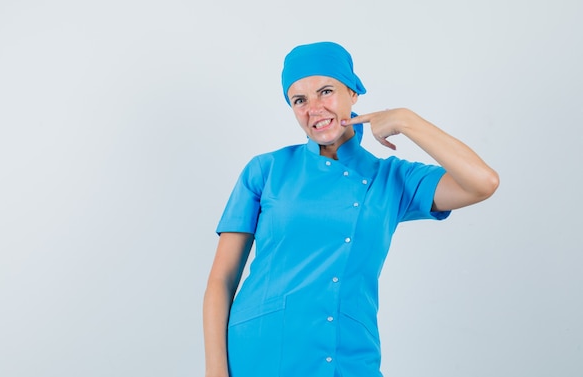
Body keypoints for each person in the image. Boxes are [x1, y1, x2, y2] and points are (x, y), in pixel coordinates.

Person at [203, 41, 499, 377]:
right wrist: (215, 372)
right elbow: (221, 280)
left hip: (348, 354)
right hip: (262, 351)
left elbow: (483, 182)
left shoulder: (391, 178)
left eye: (325, 91)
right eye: (299, 100)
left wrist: (405, 120)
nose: (314, 108)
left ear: (353, 93)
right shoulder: (266, 170)